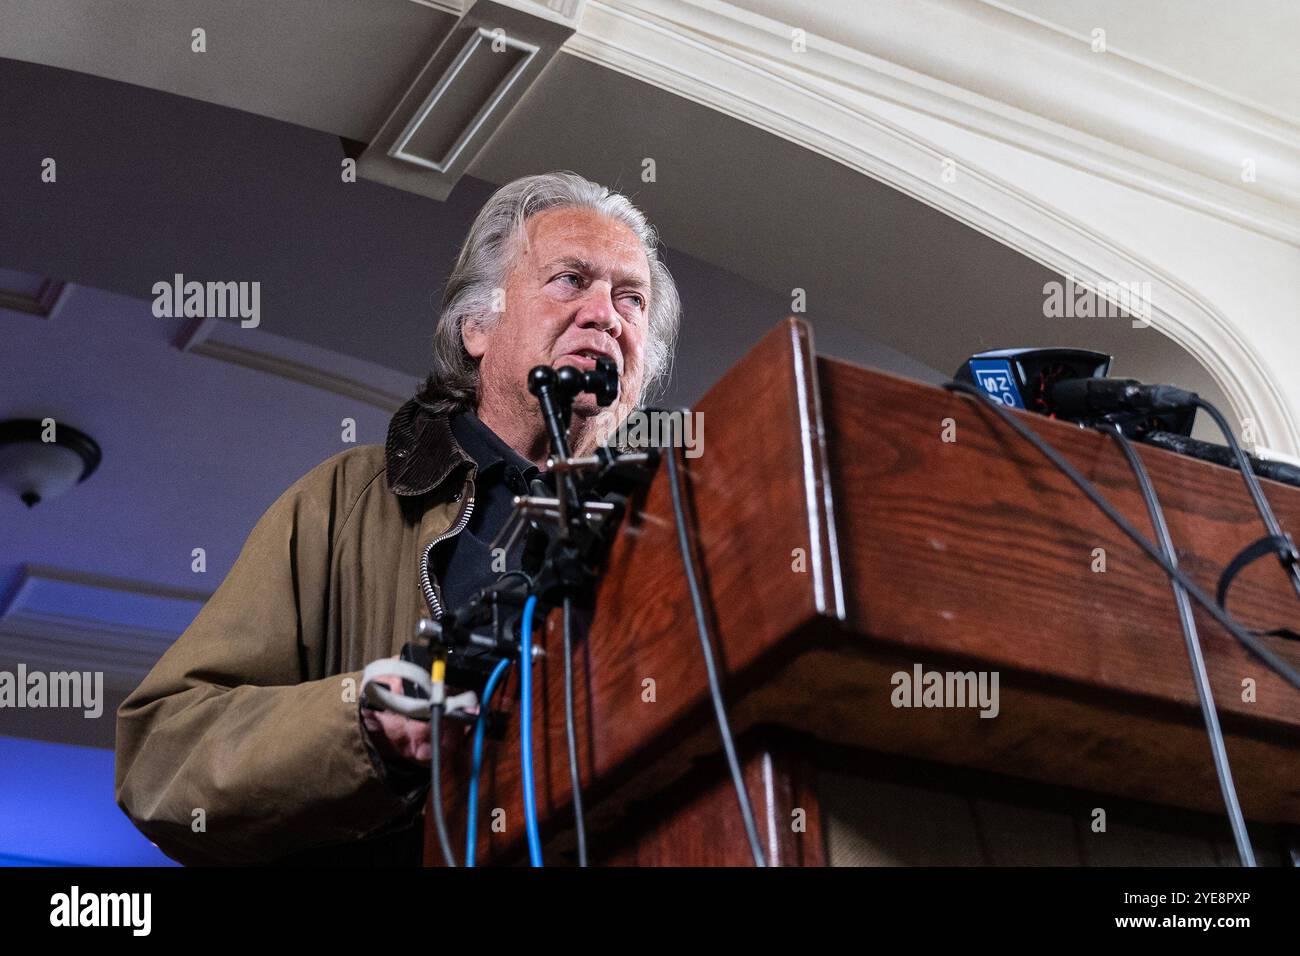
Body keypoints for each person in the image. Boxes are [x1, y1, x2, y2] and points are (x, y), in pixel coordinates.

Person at [114, 171, 681, 864]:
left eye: (632, 298)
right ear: (477, 326)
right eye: (571, 280)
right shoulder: (346, 501)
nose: (607, 314)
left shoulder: (676, 529)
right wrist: (362, 724)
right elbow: (161, 758)